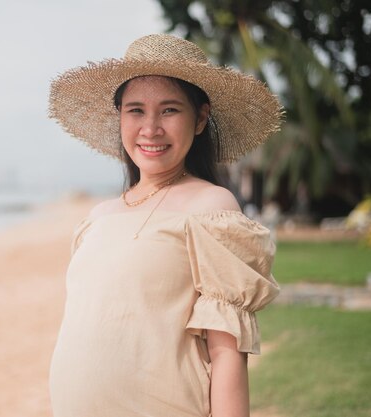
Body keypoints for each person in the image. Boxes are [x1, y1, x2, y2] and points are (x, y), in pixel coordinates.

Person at [47, 34, 282, 417]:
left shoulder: (210, 208)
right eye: (135, 110)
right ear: (119, 116)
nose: (151, 128)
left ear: (201, 118)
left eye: (169, 110)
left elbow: (227, 354)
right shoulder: (98, 217)